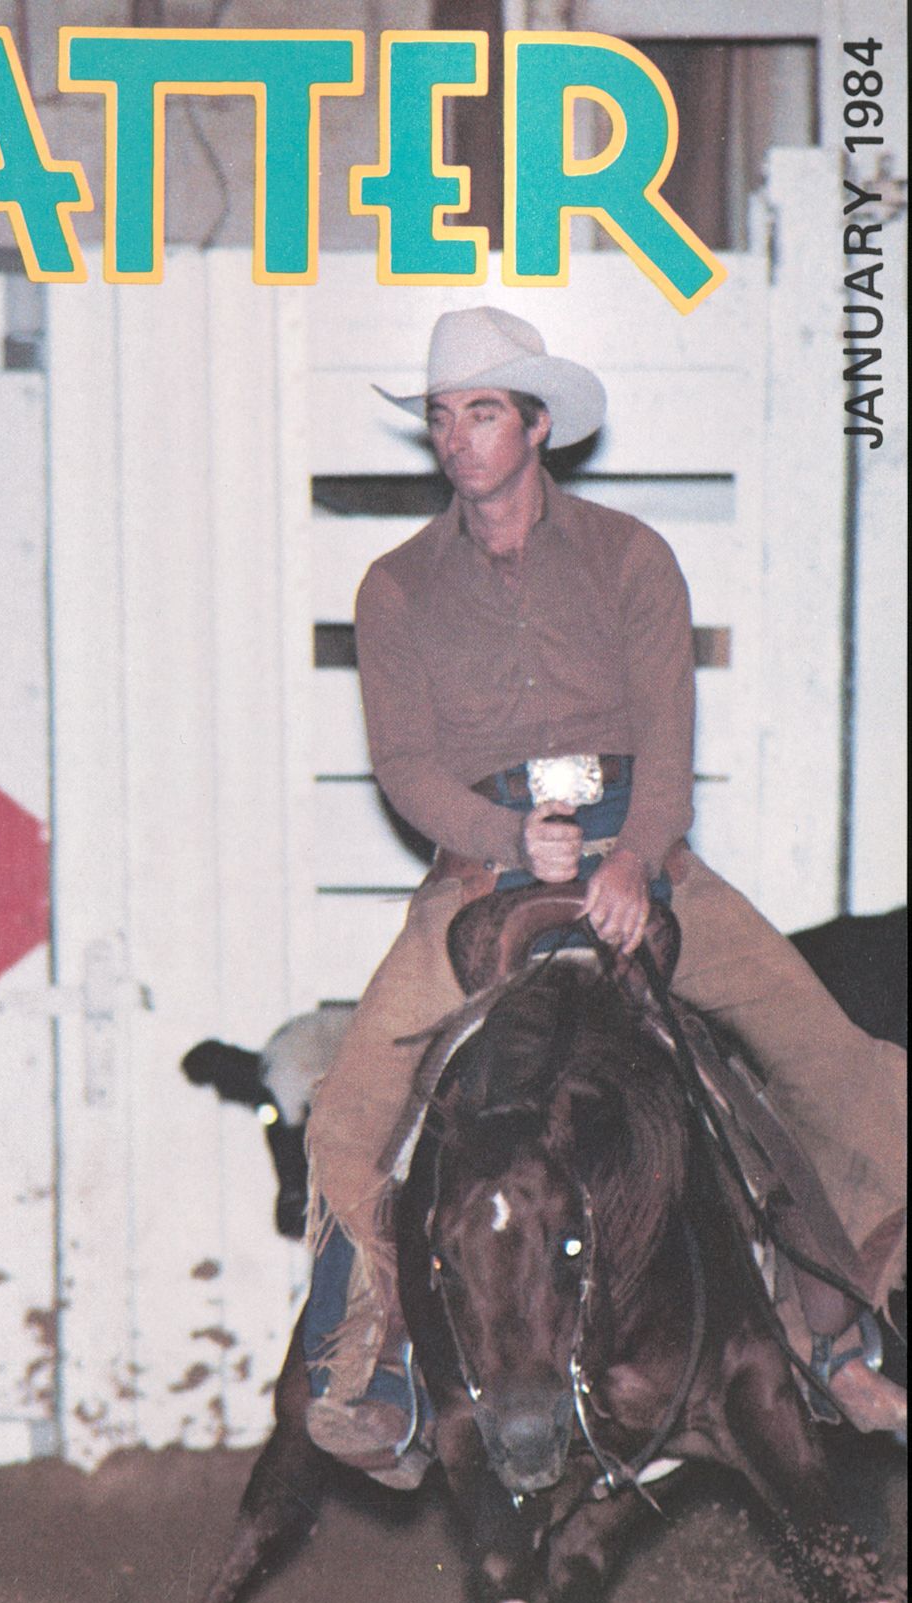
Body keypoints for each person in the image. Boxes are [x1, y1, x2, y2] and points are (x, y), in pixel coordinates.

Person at [301, 305, 907, 1487]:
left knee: (833, 1063)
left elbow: (667, 738)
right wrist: (501, 838)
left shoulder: (629, 557)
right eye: (441, 417)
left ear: (536, 426)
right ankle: (374, 1369)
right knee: (348, 1111)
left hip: (643, 848)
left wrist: (632, 855)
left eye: (481, 413)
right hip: (479, 871)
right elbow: (404, 764)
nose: (457, 438)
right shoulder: (394, 588)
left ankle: (836, 1330)